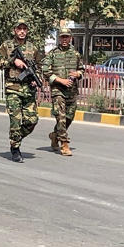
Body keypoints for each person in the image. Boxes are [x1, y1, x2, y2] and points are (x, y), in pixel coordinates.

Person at [0, 18, 41, 162]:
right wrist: (12, 61)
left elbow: (39, 66)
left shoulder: (32, 48)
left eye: (24, 29)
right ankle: (15, 148)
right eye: (19, 28)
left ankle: (15, 137)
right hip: (13, 88)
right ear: (15, 30)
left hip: (28, 90)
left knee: (32, 120)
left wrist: (36, 78)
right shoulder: (6, 46)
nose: (22, 31)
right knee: (16, 120)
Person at [41, 27, 84, 156]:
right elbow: (45, 71)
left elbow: (82, 69)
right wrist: (60, 80)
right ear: (59, 38)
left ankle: (55, 135)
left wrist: (77, 74)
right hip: (57, 90)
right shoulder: (53, 53)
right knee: (61, 117)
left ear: (70, 38)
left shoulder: (75, 54)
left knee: (69, 117)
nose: (64, 39)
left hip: (71, 91)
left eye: (67, 37)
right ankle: (64, 144)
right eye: (62, 37)